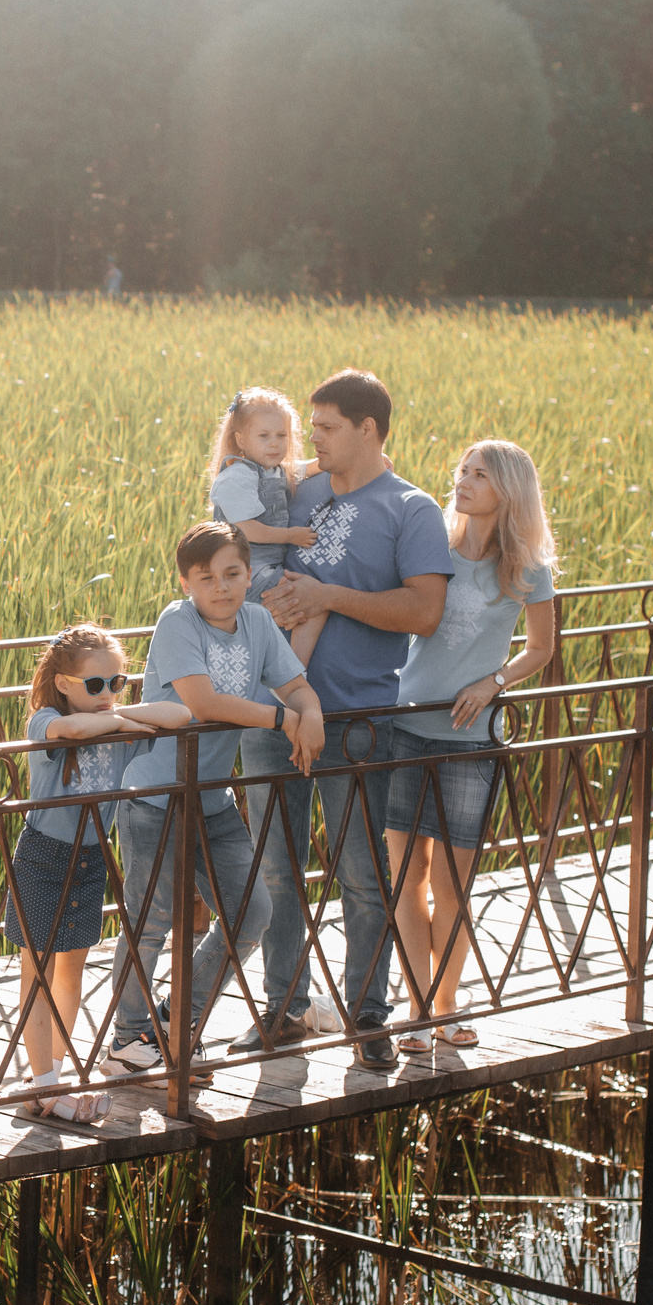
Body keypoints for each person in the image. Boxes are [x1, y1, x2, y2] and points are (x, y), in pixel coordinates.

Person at [239, 369, 452, 1068]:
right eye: (312, 428)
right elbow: (245, 556)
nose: (314, 440)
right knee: (276, 872)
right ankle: (284, 1010)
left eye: (327, 428)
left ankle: (368, 1018)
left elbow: (424, 610)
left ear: (369, 429)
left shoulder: (411, 509)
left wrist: (328, 595)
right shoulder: (298, 492)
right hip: (270, 715)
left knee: (363, 875)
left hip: (358, 719)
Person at [104, 523, 323, 1079]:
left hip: (213, 798)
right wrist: (281, 717)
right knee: (151, 920)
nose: (221, 587)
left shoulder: (257, 622)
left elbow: (295, 684)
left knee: (251, 911)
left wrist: (311, 713)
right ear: (186, 583)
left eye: (232, 574)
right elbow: (201, 702)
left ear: (249, 576)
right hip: (155, 794)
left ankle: (176, 1021)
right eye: (206, 578)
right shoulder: (177, 622)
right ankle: (128, 1040)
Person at [384, 440, 559, 1054]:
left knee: (454, 883)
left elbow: (541, 648)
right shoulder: (431, 549)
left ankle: (447, 1004)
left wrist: (493, 682)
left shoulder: (526, 569)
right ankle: (416, 1007)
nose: (463, 480)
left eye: (479, 474)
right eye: (462, 470)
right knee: (407, 878)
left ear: (507, 490)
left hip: (468, 740)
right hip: (404, 726)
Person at [5, 625, 188, 1120]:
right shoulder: (45, 719)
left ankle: (52, 1076)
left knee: (72, 970)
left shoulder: (117, 724)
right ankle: (44, 1086)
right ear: (63, 684)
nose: (108, 694)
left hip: (89, 861)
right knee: (37, 973)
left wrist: (118, 714)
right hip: (43, 858)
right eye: (95, 685)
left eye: (118, 683)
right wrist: (120, 720)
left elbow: (179, 715)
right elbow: (71, 732)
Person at [207, 387, 319, 607]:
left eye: (281, 435)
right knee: (311, 599)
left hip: (268, 567)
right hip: (245, 573)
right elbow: (247, 529)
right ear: (241, 440)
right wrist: (291, 536)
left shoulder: (275, 470)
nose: (274, 443)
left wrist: (369, 458)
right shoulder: (238, 476)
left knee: (311, 598)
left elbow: (311, 467)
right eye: (264, 436)